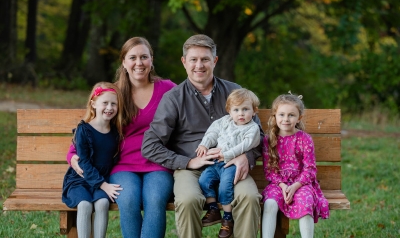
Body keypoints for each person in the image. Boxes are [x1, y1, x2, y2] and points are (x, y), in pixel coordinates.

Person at [142, 34, 264, 238]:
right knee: (188, 199)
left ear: (214, 61)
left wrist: (247, 157)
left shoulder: (236, 92)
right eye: (193, 59)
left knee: (249, 197)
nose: (199, 65)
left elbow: (259, 134)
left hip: (232, 163)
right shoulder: (173, 99)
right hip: (192, 169)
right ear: (184, 62)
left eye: (205, 59)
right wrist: (188, 162)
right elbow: (150, 145)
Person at [67, 37, 176, 238]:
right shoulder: (114, 92)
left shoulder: (168, 89)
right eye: (132, 57)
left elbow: (189, 116)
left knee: (154, 199)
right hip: (123, 164)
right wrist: (74, 153)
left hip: (159, 162)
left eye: (144, 57)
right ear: (124, 62)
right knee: (128, 199)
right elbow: (91, 123)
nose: (139, 63)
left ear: (152, 60)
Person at [261, 92, 330, 238]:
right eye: (282, 115)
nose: (286, 119)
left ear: (299, 118)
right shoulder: (269, 140)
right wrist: (283, 186)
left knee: (306, 202)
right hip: (278, 184)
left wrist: (295, 186)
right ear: (275, 116)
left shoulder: (304, 139)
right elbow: (270, 171)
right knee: (270, 204)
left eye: (291, 115)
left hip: (301, 184)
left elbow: (310, 169)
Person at [196, 88, 261, 238]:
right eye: (236, 110)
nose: (241, 114)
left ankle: (227, 218)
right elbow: (212, 132)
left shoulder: (252, 128)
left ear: (254, 111)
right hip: (216, 162)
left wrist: (226, 155)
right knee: (204, 180)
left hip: (231, 164)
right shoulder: (224, 121)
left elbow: (245, 145)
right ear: (229, 111)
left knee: (225, 187)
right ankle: (213, 210)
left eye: (245, 109)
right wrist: (205, 144)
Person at [62, 82, 124, 238]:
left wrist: (106, 183)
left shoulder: (116, 132)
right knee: (84, 205)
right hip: (80, 179)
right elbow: (84, 163)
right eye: (105, 103)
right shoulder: (84, 130)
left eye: (113, 104)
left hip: (101, 179)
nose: (109, 107)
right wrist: (104, 186)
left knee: (102, 203)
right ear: (93, 104)